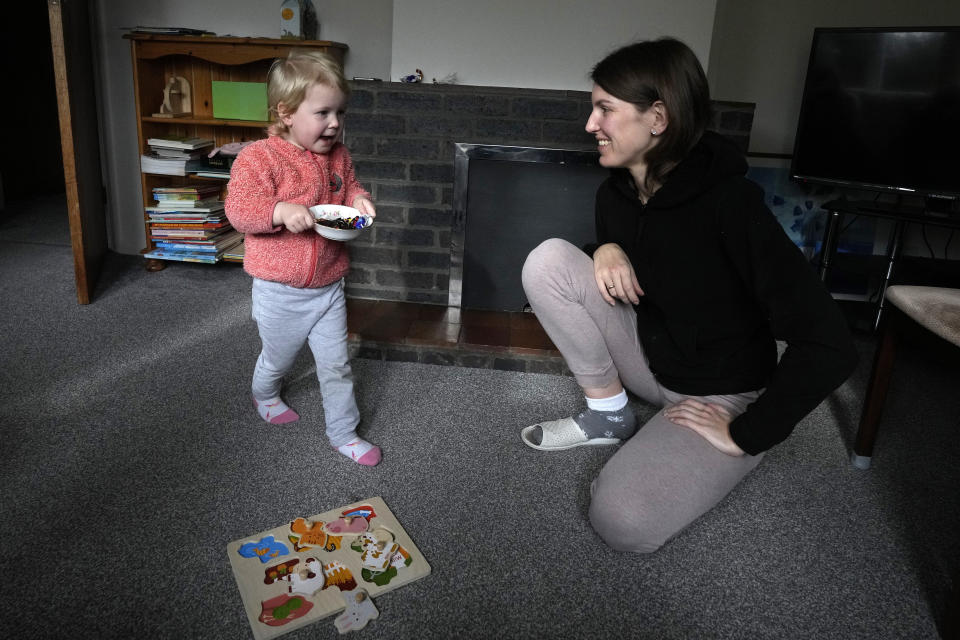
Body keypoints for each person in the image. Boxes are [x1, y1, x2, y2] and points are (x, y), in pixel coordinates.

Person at [519, 38, 858, 552]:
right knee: (549, 260)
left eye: (604, 109)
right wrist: (603, 246)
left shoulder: (731, 205)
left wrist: (749, 431)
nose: (591, 125)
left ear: (658, 117)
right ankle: (609, 413)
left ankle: (723, 449)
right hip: (652, 358)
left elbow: (831, 343)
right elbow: (648, 252)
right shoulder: (615, 192)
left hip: (720, 391)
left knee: (622, 521)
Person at [225, 50, 380, 466]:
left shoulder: (340, 156)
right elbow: (238, 210)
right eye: (323, 112)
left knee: (337, 364)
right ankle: (264, 392)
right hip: (280, 291)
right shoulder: (259, 158)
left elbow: (349, 188)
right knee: (279, 358)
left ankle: (343, 432)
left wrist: (360, 200)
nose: (335, 123)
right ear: (287, 112)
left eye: (341, 112)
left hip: (329, 285)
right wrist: (278, 211)